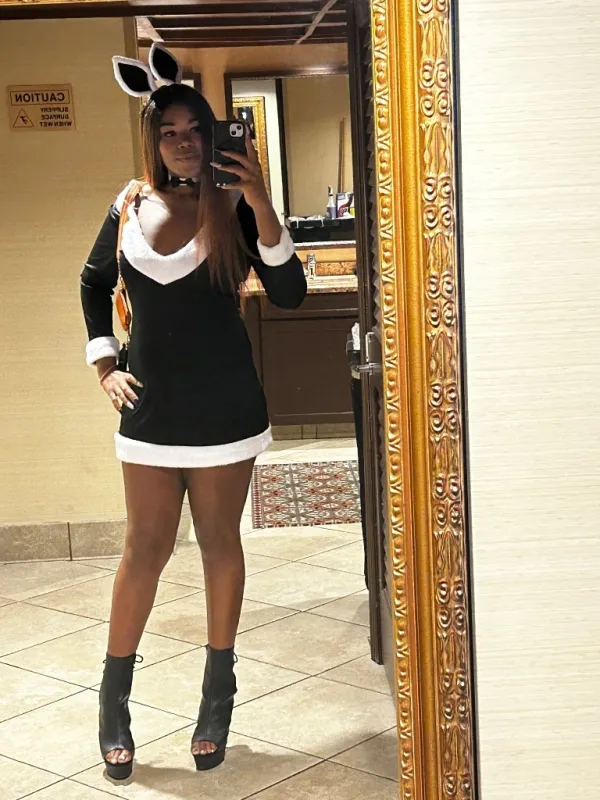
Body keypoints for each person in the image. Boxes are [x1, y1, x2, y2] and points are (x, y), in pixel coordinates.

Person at [80, 44, 306, 781]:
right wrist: (106, 365)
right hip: (150, 411)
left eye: (195, 130)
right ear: (153, 141)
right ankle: (113, 701)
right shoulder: (128, 205)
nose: (183, 142)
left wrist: (262, 200)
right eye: (169, 131)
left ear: (214, 136)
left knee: (217, 544)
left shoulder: (234, 205)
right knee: (144, 548)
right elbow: (91, 283)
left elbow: (290, 293)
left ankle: (217, 696)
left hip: (224, 410)